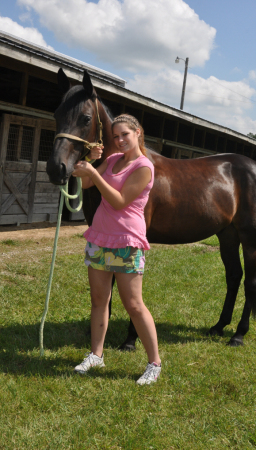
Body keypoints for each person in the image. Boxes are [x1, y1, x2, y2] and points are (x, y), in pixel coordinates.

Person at [71, 114, 161, 385]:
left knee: (134, 304)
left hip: (126, 241)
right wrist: (90, 161)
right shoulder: (111, 160)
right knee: (99, 301)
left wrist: (94, 173)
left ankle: (154, 363)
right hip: (100, 237)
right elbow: (85, 183)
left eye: (125, 134)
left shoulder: (144, 166)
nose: (120, 140)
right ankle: (96, 355)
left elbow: (120, 200)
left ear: (138, 133)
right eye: (116, 136)